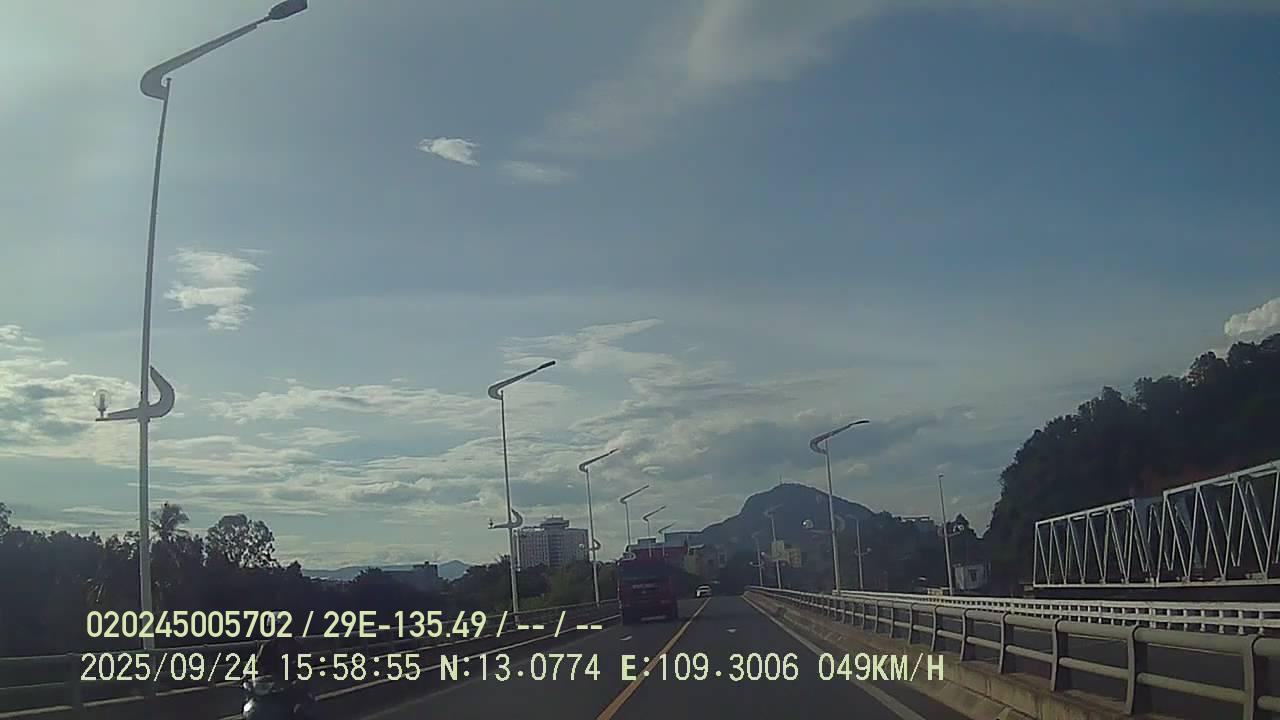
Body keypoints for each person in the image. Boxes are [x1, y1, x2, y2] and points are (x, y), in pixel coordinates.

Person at [243, 636, 316, 719]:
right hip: (269, 692)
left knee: (302, 710)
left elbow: (305, 672)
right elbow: (256, 665)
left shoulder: (299, 648)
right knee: (251, 709)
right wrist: (246, 678)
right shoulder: (267, 647)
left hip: (292, 691)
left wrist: (297, 683)